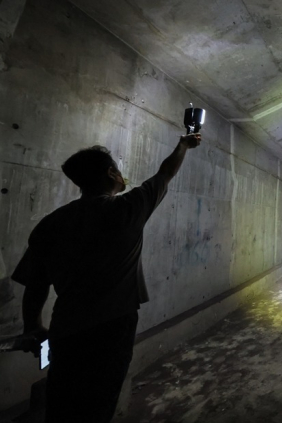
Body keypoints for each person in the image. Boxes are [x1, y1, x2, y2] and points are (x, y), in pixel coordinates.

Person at [12, 133, 202, 423]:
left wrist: (33, 326)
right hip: (112, 328)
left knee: (61, 401)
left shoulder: (51, 223)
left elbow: (36, 283)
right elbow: (165, 173)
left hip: (66, 326)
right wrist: (183, 145)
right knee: (99, 404)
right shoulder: (127, 209)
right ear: (112, 173)